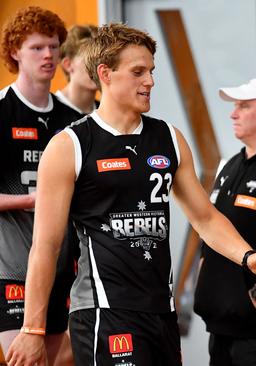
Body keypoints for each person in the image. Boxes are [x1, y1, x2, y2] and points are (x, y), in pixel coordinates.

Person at [5, 23, 256, 366]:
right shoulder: (71, 145)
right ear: (105, 74)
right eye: (138, 71)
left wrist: (249, 257)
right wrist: (33, 329)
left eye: (152, 71)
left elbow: (205, 218)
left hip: (160, 311)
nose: (150, 81)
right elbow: (46, 246)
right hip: (104, 312)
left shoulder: (168, 137)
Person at [0, 7, 83, 366]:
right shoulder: (3, 111)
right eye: (37, 48)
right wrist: (32, 200)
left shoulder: (72, 121)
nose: (48, 55)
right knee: (22, 360)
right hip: (12, 267)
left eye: (53, 46)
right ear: (15, 52)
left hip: (61, 266)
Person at [193, 78, 256, 366]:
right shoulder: (230, 165)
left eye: (244, 106)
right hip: (220, 327)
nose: (233, 113)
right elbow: (209, 234)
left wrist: (255, 295)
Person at [56, 24, 99, 114]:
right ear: (68, 65)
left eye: (103, 60)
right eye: (90, 60)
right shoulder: (50, 110)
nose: (99, 67)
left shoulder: (106, 113)